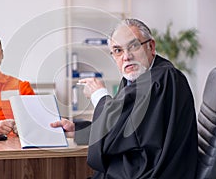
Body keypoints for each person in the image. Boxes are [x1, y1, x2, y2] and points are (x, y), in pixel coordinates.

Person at [51, 18, 198, 178]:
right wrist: (77, 130)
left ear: (151, 47)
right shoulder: (140, 80)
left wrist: (99, 96)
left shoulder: (162, 79)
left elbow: (124, 134)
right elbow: (122, 130)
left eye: (134, 46)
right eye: (118, 50)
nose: (126, 56)